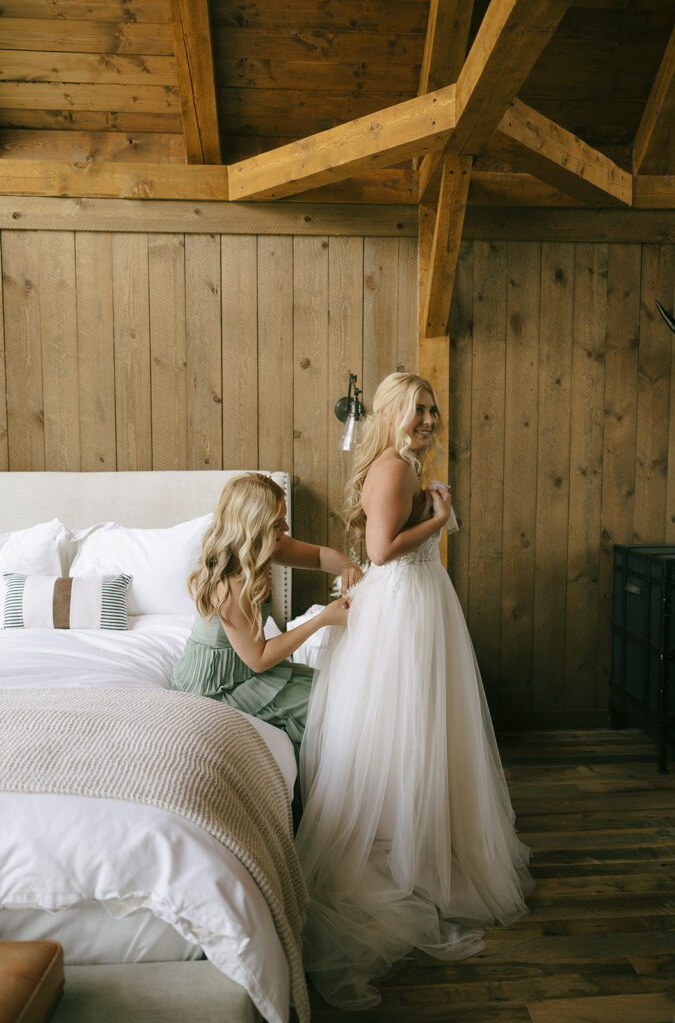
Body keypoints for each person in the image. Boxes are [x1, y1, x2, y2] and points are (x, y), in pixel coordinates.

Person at [295, 372, 534, 1010]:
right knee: (405, 728)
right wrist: (443, 520)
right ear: (393, 411)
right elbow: (382, 550)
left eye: (432, 409)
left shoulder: (403, 464)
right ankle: (402, 850)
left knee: (423, 728)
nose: (429, 419)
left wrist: (434, 514)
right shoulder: (394, 469)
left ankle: (419, 840)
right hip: (403, 608)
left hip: (420, 605)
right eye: (418, 409)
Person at [172, 472, 361, 763]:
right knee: (333, 706)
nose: (285, 527)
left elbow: (321, 556)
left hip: (246, 670)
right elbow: (258, 658)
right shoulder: (230, 585)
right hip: (220, 687)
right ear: (252, 527)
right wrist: (322, 619)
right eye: (277, 523)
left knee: (337, 689)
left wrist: (347, 565)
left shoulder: (267, 545)